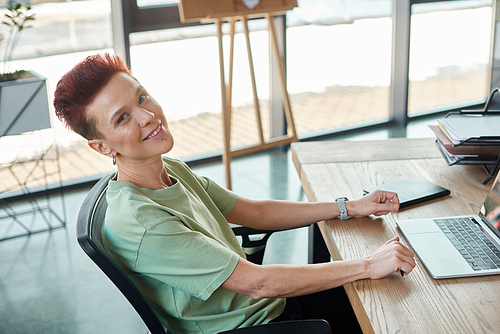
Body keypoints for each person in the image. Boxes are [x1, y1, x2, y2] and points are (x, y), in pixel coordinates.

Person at [54, 53, 416, 333]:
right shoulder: (141, 221)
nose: (148, 116)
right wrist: (368, 264)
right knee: (398, 311)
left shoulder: (169, 168)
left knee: (388, 297)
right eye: (122, 118)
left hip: (268, 309)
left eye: (143, 97)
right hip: (254, 326)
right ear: (102, 148)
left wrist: (347, 207)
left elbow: (255, 212)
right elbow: (258, 283)